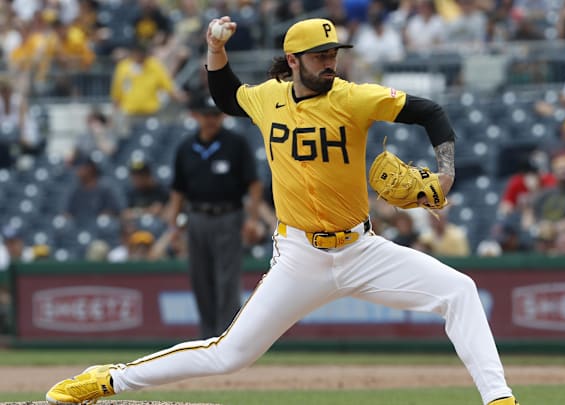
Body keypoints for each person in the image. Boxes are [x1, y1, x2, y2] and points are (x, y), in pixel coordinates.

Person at [45, 17, 518, 405]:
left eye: (334, 54)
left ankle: (499, 399)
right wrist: (214, 48)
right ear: (293, 60)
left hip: (361, 249)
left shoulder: (352, 98)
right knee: (228, 355)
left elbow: (430, 111)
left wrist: (446, 173)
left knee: (459, 291)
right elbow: (227, 96)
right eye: (320, 56)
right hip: (299, 257)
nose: (330, 62)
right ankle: (109, 379)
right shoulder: (269, 98)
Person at [165, 90, 265, 339]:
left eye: (216, 115)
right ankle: (207, 338)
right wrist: (174, 228)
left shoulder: (235, 143)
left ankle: (227, 338)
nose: (211, 120)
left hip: (228, 216)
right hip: (196, 217)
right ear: (195, 115)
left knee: (227, 280)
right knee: (200, 280)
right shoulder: (186, 147)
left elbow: (253, 184)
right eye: (207, 115)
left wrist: (252, 219)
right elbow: (178, 191)